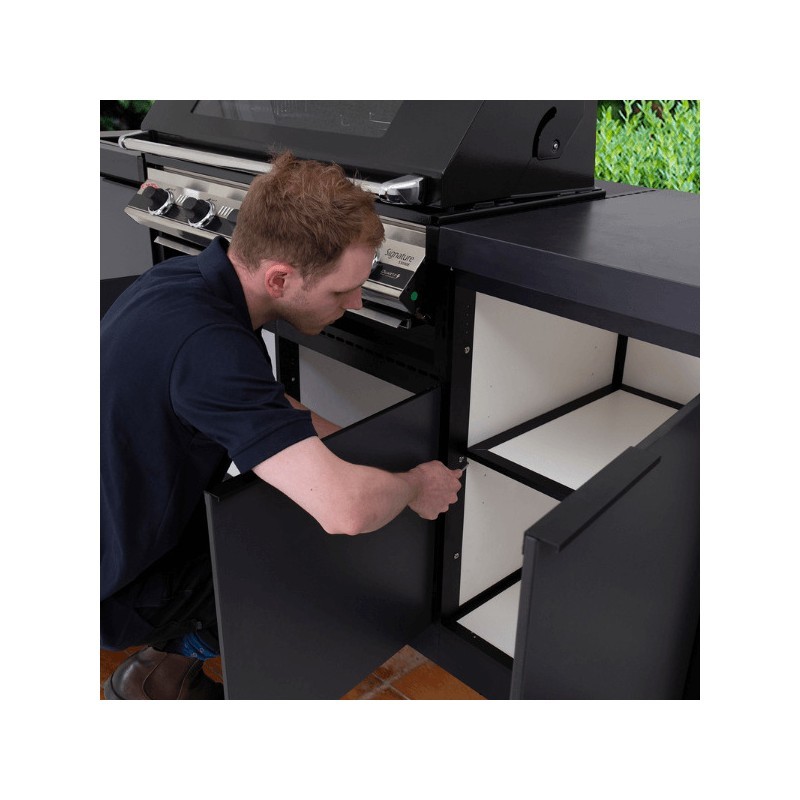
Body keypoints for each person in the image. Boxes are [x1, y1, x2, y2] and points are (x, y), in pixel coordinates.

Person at [101, 152, 462, 700]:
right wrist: (414, 486)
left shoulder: (182, 284)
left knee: (283, 492)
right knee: (307, 549)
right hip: (116, 585)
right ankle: (161, 669)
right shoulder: (211, 348)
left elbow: (269, 407)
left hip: (110, 526)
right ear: (279, 278)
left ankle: (156, 669)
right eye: (341, 291)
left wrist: (363, 450)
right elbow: (346, 510)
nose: (356, 302)